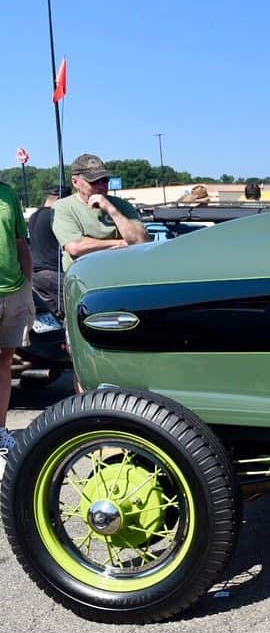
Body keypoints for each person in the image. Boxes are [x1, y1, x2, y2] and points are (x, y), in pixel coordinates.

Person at [52, 153, 149, 271]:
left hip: (122, 272)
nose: (101, 186)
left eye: (104, 180)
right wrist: (122, 244)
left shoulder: (122, 206)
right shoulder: (63, 207)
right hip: (85, 277)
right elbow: (75, 247)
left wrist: (111, 209)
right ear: (75, 182)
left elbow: (141, 241)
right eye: (93, 181)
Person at [0, 181, 34, 453]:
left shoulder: (7, 193)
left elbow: (20, 241)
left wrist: (27, 284)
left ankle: (1, 430)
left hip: (14, 290)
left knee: (5, 360)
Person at [27, 184, 69, 314]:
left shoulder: (34, 215)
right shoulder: (55, 215)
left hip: (35, 276)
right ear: (60, 199)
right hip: (54, 273)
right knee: (72, 315)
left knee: (54, 318)